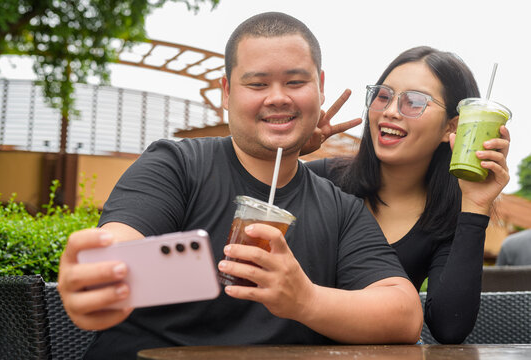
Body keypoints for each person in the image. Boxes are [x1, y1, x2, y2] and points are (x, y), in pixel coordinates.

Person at [57, 12, 423, 359]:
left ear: (320, 87)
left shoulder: (340, 209)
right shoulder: (177, 166)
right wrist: (98, 278)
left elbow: (404, 313)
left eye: (296, 82)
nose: (278, 96)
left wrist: (305, 299)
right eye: (257, 83)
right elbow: (120, 250)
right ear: (227, 92)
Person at [306, 46, 511, 344]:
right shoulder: (321, 180)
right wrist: (288, 154)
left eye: (414, 102)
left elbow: (449, 328)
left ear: (452, 128)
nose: (390, 111)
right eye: (384, 96)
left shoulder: (446, 217)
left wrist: (476, 206)